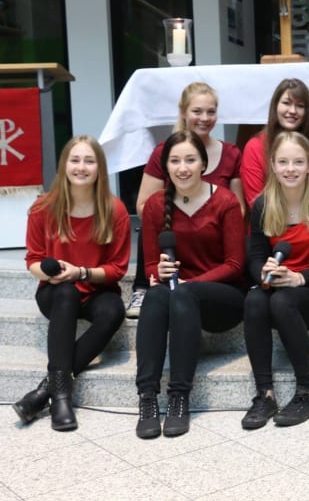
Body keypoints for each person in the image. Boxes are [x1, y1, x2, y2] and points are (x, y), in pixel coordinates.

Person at [134, 130, 245, 439]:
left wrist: (186, 284)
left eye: (190, 160)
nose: (182, 168)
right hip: (176, 296)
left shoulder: (225, 202)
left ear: (203, 164)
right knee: (154, 297)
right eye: (175, 161)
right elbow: (149, 266)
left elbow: (235, 265)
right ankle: (147, 398)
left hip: (223, 301)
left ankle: (179, 397)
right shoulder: (156, 205)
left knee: (177, 294)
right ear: (166, 166)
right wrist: (162, 269)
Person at [15, 135, 130, 431]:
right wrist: (51, 273)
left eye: (89, 161)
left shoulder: (114, 210)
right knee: (65, 294)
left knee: (113, 311)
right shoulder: (43, 207)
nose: (81, 167)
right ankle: (62, 398)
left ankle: (44, 391)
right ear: (64, 165)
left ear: (99, 168)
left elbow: (117, 269)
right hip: (55, 292)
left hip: (95, 288)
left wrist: (80, 272)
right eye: (75, 160)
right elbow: (33, 261)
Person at [242, 131, 309, 429]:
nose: (291, 169)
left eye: (298, 162)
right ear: (272, 165)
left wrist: (299, 278)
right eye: (283, 162)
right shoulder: (262, 204)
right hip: (276, 288)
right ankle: (265, 394)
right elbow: (255, 257)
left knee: (283, 300)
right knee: (253, 300)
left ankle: (307, 392)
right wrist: (264, 272)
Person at [126, 82, 244, 318]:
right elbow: (143, 205)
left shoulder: (231, 153)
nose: (204, 118)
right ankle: (142, 288)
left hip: (213, 236)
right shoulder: (164, 151)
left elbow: (238, 208)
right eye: (197, 111)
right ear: (183, 113)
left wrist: (207, 217)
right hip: (174, 237)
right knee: (152, 225)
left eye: (211, 112)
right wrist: (182, 220)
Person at [240, 78, 309, 208]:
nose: (292, 110)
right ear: (275, 106)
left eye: (300, 105)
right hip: (271, 221)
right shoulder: (255, 147)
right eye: (286, 103)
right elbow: (255, 203)